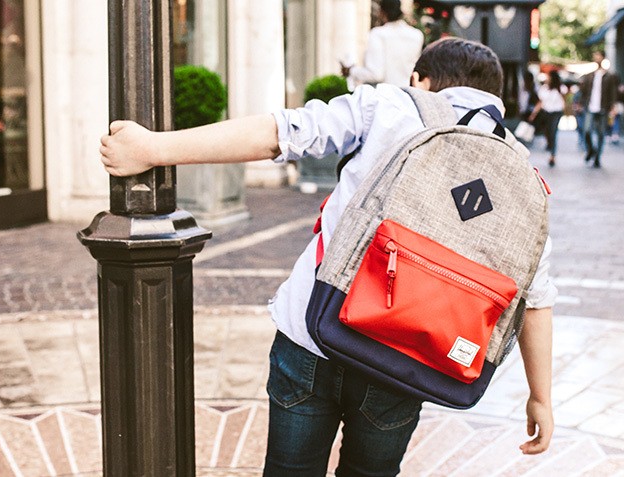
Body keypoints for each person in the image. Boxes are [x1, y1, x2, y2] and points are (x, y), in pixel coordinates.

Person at [100, 38, 557, 476]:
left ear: (420, 79)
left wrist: (153, 149)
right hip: (405, 363)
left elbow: (278, 134)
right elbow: (533, 298)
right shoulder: (524, 178)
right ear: (494, 98)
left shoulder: (391, 104)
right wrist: (540, 396)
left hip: (315, 333)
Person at [341, 0, 424, 88]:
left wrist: (351, 71)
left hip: (384, 97)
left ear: (382, 12)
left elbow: (375, 74)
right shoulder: (417, 35)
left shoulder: (378, 34)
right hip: (407, 95)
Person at [579, 50, 619, 168]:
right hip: (590, 107)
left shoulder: (609, 76)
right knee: (586, 130)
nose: (596, 58)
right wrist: (580, 104)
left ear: (603, 57)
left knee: (601, 133)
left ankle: (597, 157)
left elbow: (613, 93)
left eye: (598, 55)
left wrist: (613, 106)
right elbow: (584, 92)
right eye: (595, 56)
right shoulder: (589, 75)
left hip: (603, 108)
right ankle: (591, 150)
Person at [529, 70, 567, 167]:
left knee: (553, 132)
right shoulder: (544, 88)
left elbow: (564, 101)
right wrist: (534, 114)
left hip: (556, 112)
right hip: (546, 113)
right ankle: (550, 146)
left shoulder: (561, 88)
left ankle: (552, 155)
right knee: (547, 131)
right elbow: (540, 102)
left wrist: (565, 110)